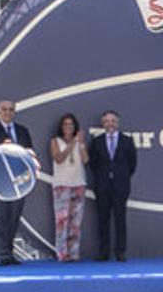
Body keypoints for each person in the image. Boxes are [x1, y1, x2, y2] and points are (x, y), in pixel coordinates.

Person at [0, 100, 35, 266]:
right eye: (4, 110)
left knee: (13, 218)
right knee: (0, 218)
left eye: (11, 110)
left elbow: (30, 151)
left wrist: (24, 152)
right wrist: (1, 148)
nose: (7, 112)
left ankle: (10, 252)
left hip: (19, 182)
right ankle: (3, 254)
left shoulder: (22, 131)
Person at [86, 110, 137, 262]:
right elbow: (93, 164)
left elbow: (132, 164)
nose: (110, 124)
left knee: (120, 219)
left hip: (121, 186)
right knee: (103, 219)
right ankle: (104, 252)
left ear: (118, 122)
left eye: (113, 120)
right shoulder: (97, 141)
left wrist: (121, 177)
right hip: (102, 186)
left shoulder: (127, 140)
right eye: (107, 121)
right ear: (103, 124)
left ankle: (120, 252)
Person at [49, 113, 88, 262]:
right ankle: (62, 253)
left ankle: (73, 252)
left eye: (71, 124)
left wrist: (81, 143)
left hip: (78, 183)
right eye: (65, 124)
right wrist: (72, 145)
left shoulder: (79, 141)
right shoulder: (55, 141)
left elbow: (85, 160)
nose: (68, 127)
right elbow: (58, 159)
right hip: (62, 185)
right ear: (61, 127)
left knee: (75, 221)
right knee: (62, 221)